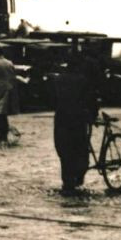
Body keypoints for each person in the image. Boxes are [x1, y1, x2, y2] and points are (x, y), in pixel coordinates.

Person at [48, 50, 97, 195]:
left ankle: (68, 180)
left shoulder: (59, 80)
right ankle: (79, 175)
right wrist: (93, 115)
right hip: (78, 118)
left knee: (64, 148)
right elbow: (90, 99)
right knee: (80, 146)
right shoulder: (83, 80)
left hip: (62, 118)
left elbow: (51, 100)